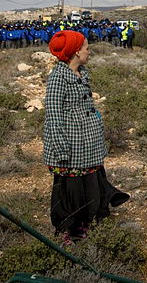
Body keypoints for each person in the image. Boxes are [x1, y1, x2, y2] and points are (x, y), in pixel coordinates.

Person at [43, 30, 128, 244]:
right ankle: (69, 229)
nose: (89, 51)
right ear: (75, 52)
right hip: (71, 147)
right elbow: (53, 115)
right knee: (70, 189)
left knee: (90, 182)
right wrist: (61, 148)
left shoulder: (83, 73)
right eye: (86, 47)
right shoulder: (58, 79)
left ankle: (90, 220)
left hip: (87, 144)